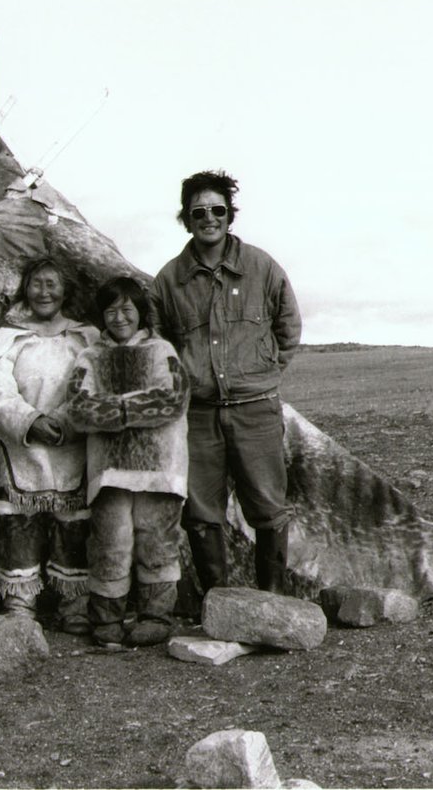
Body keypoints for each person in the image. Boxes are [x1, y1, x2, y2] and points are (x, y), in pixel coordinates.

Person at [150, 170, 301, 594]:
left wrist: (262, 375)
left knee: (269, 507)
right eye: (199, 212)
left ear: (230, 215)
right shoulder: (168, 280)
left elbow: (288, 328)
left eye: (218, 210)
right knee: (201, 513)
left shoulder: (262, 267)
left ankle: (270, 601)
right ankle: (219, 603)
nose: (209, 218)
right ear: (186, 218)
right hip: (197, 416)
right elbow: (157, 345)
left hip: (256, 410)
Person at [63, 277, 190, 648]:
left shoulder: (161, 349)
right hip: (109, 470)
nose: (119, 318)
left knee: (157, 539)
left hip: (160, 467)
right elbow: (77, 409)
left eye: (126, 309)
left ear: (140, 312)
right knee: (110, 541)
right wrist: (136, 406)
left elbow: (172, 400)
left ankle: (156, 616)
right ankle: (107, 619)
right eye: (110, 310)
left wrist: (114, 406)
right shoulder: (90, 356)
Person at [0, 258, 100, 633]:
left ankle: (74, 603)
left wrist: (65, 421)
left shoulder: (86, 337)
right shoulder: (9, 337)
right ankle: (20, 604)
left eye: (52, 284)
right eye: (36, 284)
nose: (44, 292)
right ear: (25, 288)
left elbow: (92, 383)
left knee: (73, 525)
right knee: (19, 524)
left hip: (71, 444)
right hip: (22, 445)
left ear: (65, 289)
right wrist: (30, 420)